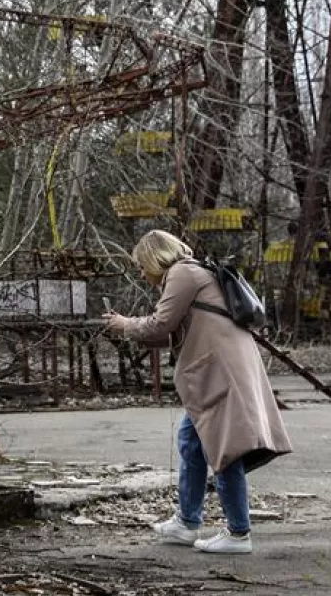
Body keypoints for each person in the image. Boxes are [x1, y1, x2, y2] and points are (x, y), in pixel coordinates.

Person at [105, 230, 292, 555]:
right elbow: (172, 333)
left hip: (221, 374)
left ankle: (238, 534)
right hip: (218, 372)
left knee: (225, 450)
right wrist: (130, 330)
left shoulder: (181, 273)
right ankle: (187, 522)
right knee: (191, 443)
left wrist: (125, 325)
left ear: (155, 257)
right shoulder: (191, 274)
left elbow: (160, 325)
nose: (140, 273)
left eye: (141, 266)